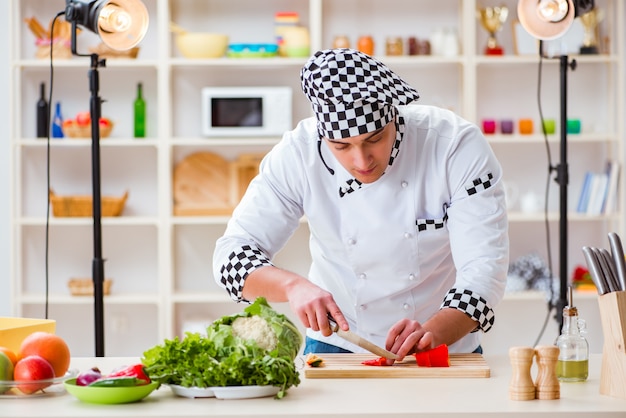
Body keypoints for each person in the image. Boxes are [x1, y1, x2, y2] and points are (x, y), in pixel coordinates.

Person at [213, 48, 509, 362]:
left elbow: (483, 270)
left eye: (375, 138)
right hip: (337, 344)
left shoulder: (454, 146)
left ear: (394, 115)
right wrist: (292, 286)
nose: (361, 160)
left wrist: (433, 332)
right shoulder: (298, 154)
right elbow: (231, 255)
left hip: (444, 343)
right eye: (341, 146)